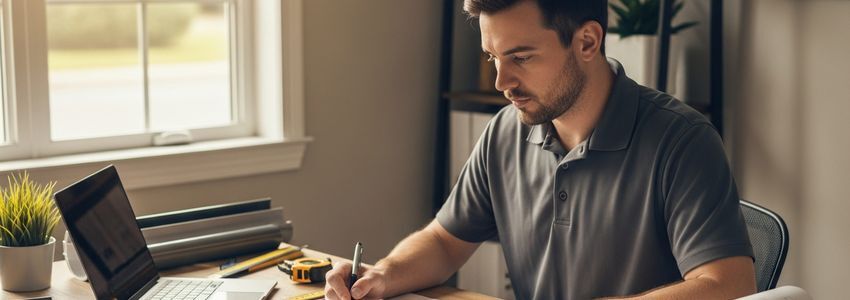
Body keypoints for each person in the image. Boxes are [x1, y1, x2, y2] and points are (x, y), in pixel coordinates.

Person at [324, 0, 756, 299]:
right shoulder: (504, 133)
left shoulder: (683, 140)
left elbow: (729, 285)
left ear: (587, 42)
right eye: (493, 58)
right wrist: (382, 275)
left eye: (521, 57)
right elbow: (444, 241)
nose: (501, 82)